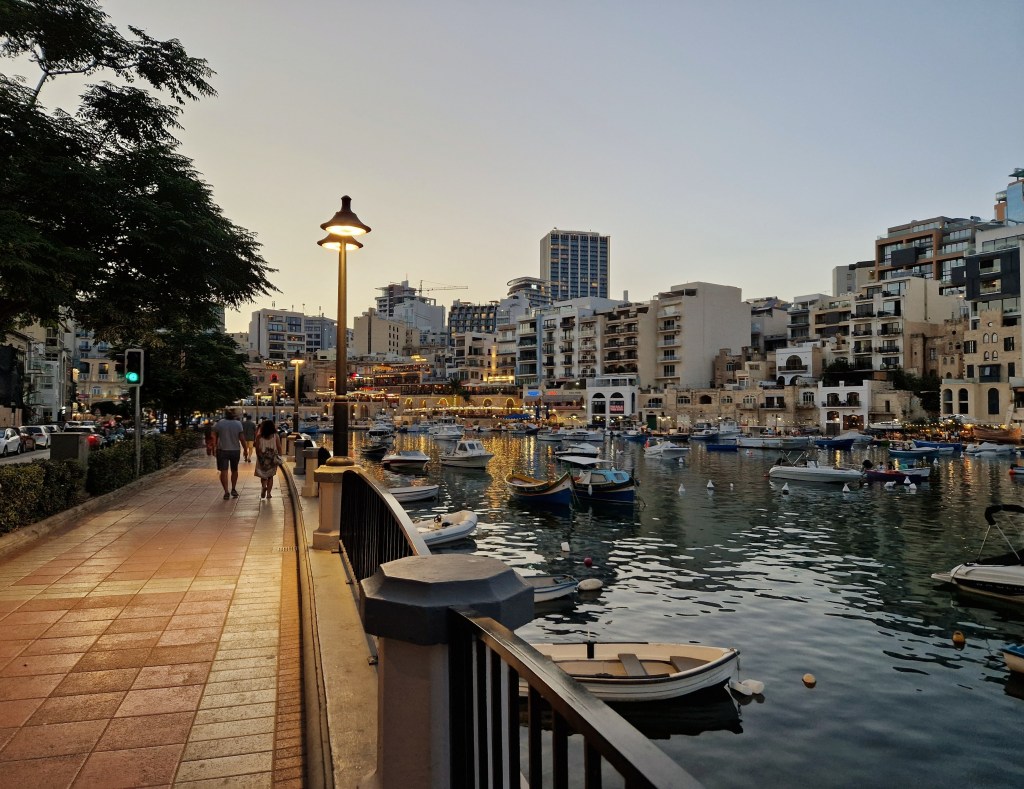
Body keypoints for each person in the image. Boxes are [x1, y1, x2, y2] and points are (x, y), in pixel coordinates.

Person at [212, 408, 245, 499]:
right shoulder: (238, 424)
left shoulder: (220, 423)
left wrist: (214, 446)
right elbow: (242, 438)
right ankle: (233, 489)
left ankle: (226, 491)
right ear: (234, 415)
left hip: (222, 450)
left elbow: (214, 435)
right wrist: (245, 449)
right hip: (235, 450)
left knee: (224, 471)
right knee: (234, 470)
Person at [254, 419, 283, 499]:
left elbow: (257, 449)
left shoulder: (259, 437)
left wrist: (260, 458)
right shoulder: (275, 436)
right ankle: (269, 493)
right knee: (270, 476)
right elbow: (279, 447)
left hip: (262, 458)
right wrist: (280, 457)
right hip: (272, 459)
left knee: (263, 475)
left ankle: (263, 486)